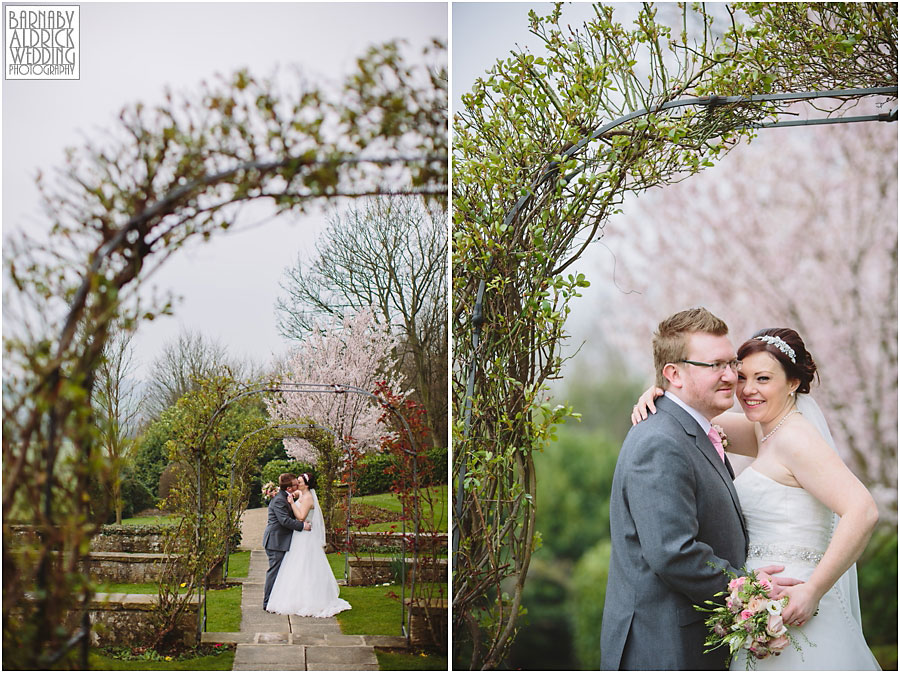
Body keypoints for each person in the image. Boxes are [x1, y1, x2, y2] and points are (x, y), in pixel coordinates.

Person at [632, 326, 881, 670]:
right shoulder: (764, 431)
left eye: (763, 379)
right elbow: (689, 417)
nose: (747, 390)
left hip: (795, 603)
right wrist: (661, 391)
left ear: (792, 383)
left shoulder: (796, 439)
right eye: (742, 376)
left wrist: (813, 591)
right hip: (760, 609)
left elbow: (863, 510)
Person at [600, 308, 797, 670]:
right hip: (665, 648)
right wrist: (749, 591)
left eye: (731, 362)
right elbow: (673, 553)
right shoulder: (661, 441)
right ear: (673, 373)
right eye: (715, 365)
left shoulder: (690, 429)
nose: (731, 375)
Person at [265, 472, 351, 617]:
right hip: (286, 538)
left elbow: (300, 517)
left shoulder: (308, 497)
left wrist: (292, 503)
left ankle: (302, 599)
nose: (296, 485)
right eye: (295, 482)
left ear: (306, 484)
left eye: (299, 482)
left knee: (303, 567)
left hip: (303, 536)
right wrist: (283, 492)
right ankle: (270, 600)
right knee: (289, 568)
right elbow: (291, 500)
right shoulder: (299, 494)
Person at [262, 472, 312, 610]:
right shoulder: (279, 500)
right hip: (275, 541)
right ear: (289, 488)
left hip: (280, 540)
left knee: (281, 572)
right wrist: (302, 526)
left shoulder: (285, 497)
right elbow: (284, 520)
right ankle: (267, 602)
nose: (298, 486)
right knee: (274, 572)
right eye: (295, 485)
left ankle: (275, 600)